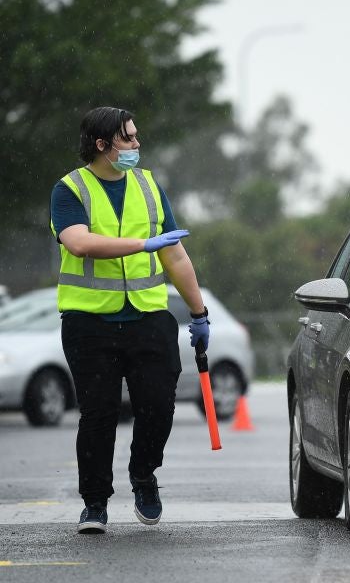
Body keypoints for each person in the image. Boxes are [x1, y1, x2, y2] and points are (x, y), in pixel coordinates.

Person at [49, 107, 211, 534]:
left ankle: (143, 474)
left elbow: (175, 254)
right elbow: (79, 243)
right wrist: (143, 244)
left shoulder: (149, 185)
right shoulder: (69, 190)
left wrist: (199, 313)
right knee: (99, 414)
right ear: (102, 145)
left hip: (148, 319)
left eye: (136, 136)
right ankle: (95, 503)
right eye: (128, 138)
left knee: (158, 406)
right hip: (89, 323)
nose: (137, 144)